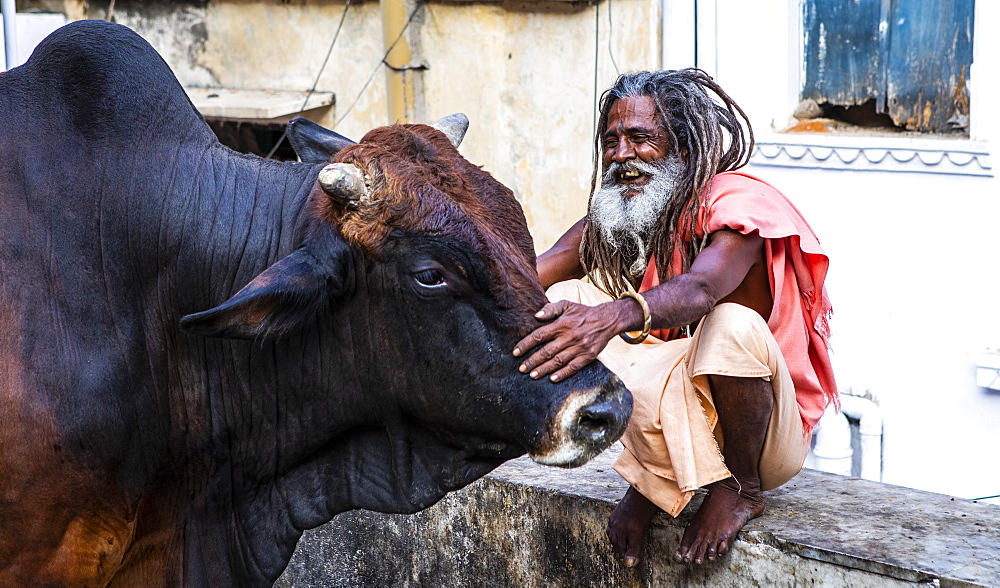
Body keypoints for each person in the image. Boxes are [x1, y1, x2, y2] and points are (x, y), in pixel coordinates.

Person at [512, 69, 837, 566]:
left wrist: (609, 318)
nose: (622, 155)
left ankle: (739, 490)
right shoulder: (617, 213)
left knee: (730, 325)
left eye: (641, 139)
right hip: (680, 417)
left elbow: (700, 288)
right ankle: (651, 482)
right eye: (612, 141)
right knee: (570, 295)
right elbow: (530, 277)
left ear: (683, 147)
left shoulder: (739, 205)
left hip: (761, 440)